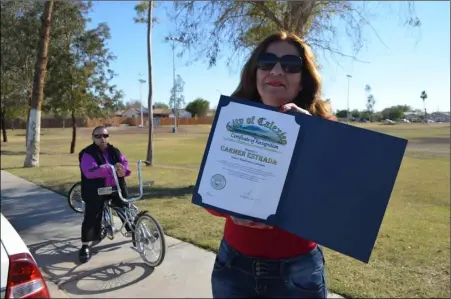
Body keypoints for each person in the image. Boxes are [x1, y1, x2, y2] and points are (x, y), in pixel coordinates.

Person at [207, 31, 334, 298]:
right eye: (267, 62)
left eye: (291, 64)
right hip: (233, 265)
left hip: (298, 270)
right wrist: (229, 210)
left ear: (303, 81)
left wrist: (314, 134)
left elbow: (340, 197)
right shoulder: (234, 122)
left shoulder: (323, 129)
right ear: (256, 73)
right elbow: (211, 192)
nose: (277, 70)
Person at [78, 126, 132, 263]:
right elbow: (89, 171)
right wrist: (110, 168)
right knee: (92, 214)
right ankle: (85, 245)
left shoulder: (114, 151)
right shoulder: (87, 153)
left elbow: (124, 163)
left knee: (125, 207)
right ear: (93, 137)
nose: (102, 138)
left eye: (105, 136)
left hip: (115, 187)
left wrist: (123, 171)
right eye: (98, 136)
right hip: (96, 189)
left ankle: (133, 230)